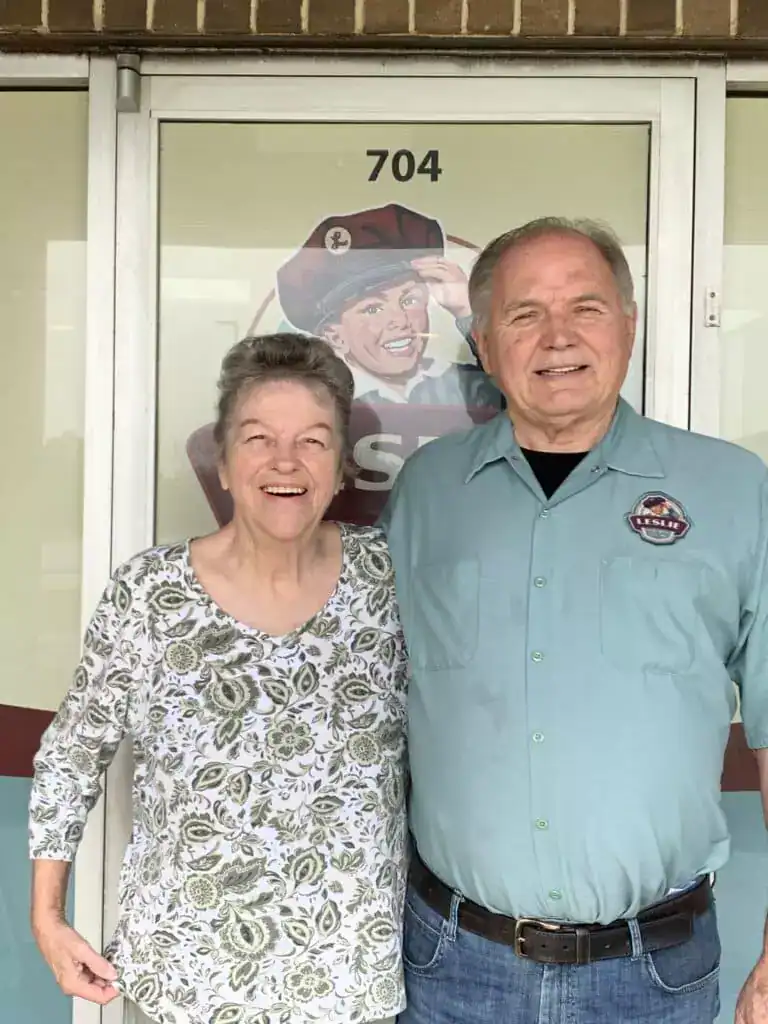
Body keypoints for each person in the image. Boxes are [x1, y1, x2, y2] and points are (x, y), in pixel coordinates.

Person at [380, 217, 768, 1024]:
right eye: (525, 314)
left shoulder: (734, 491)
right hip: (453, 967)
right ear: (485, 344)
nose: (557, 337)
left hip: (652, 974)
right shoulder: (427, 491)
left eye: (586, 308)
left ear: (629, 325)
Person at [29, 334, 410, 1024]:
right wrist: (47, 918)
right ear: (225, 464)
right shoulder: (150, 594)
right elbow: (72, 754)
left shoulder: (389, 582)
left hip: (347, 987)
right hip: (184, 988)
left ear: (342, 468)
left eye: (314, 441)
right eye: (258, 438)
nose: (285, 462)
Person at [275, 203, 501, 409]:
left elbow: (518, 397)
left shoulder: (469, 387)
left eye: (409, 300)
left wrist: (467, 312)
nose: (401, 321)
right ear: (335, 337)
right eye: (373, 309)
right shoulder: (319, 403)